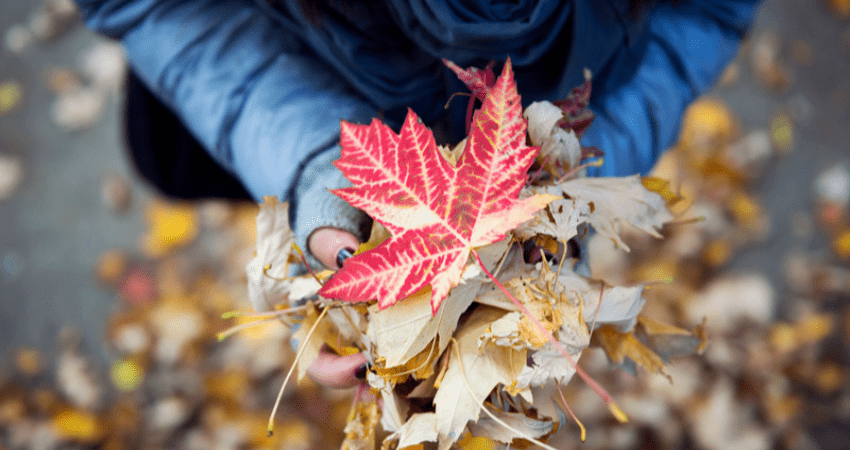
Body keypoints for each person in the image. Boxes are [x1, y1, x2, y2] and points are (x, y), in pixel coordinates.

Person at [75, 0, 761, 387]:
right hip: (292, 69)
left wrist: (564, 197)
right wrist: (318, 166)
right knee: (175, 160)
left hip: (537, 143)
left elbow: (705, 13)